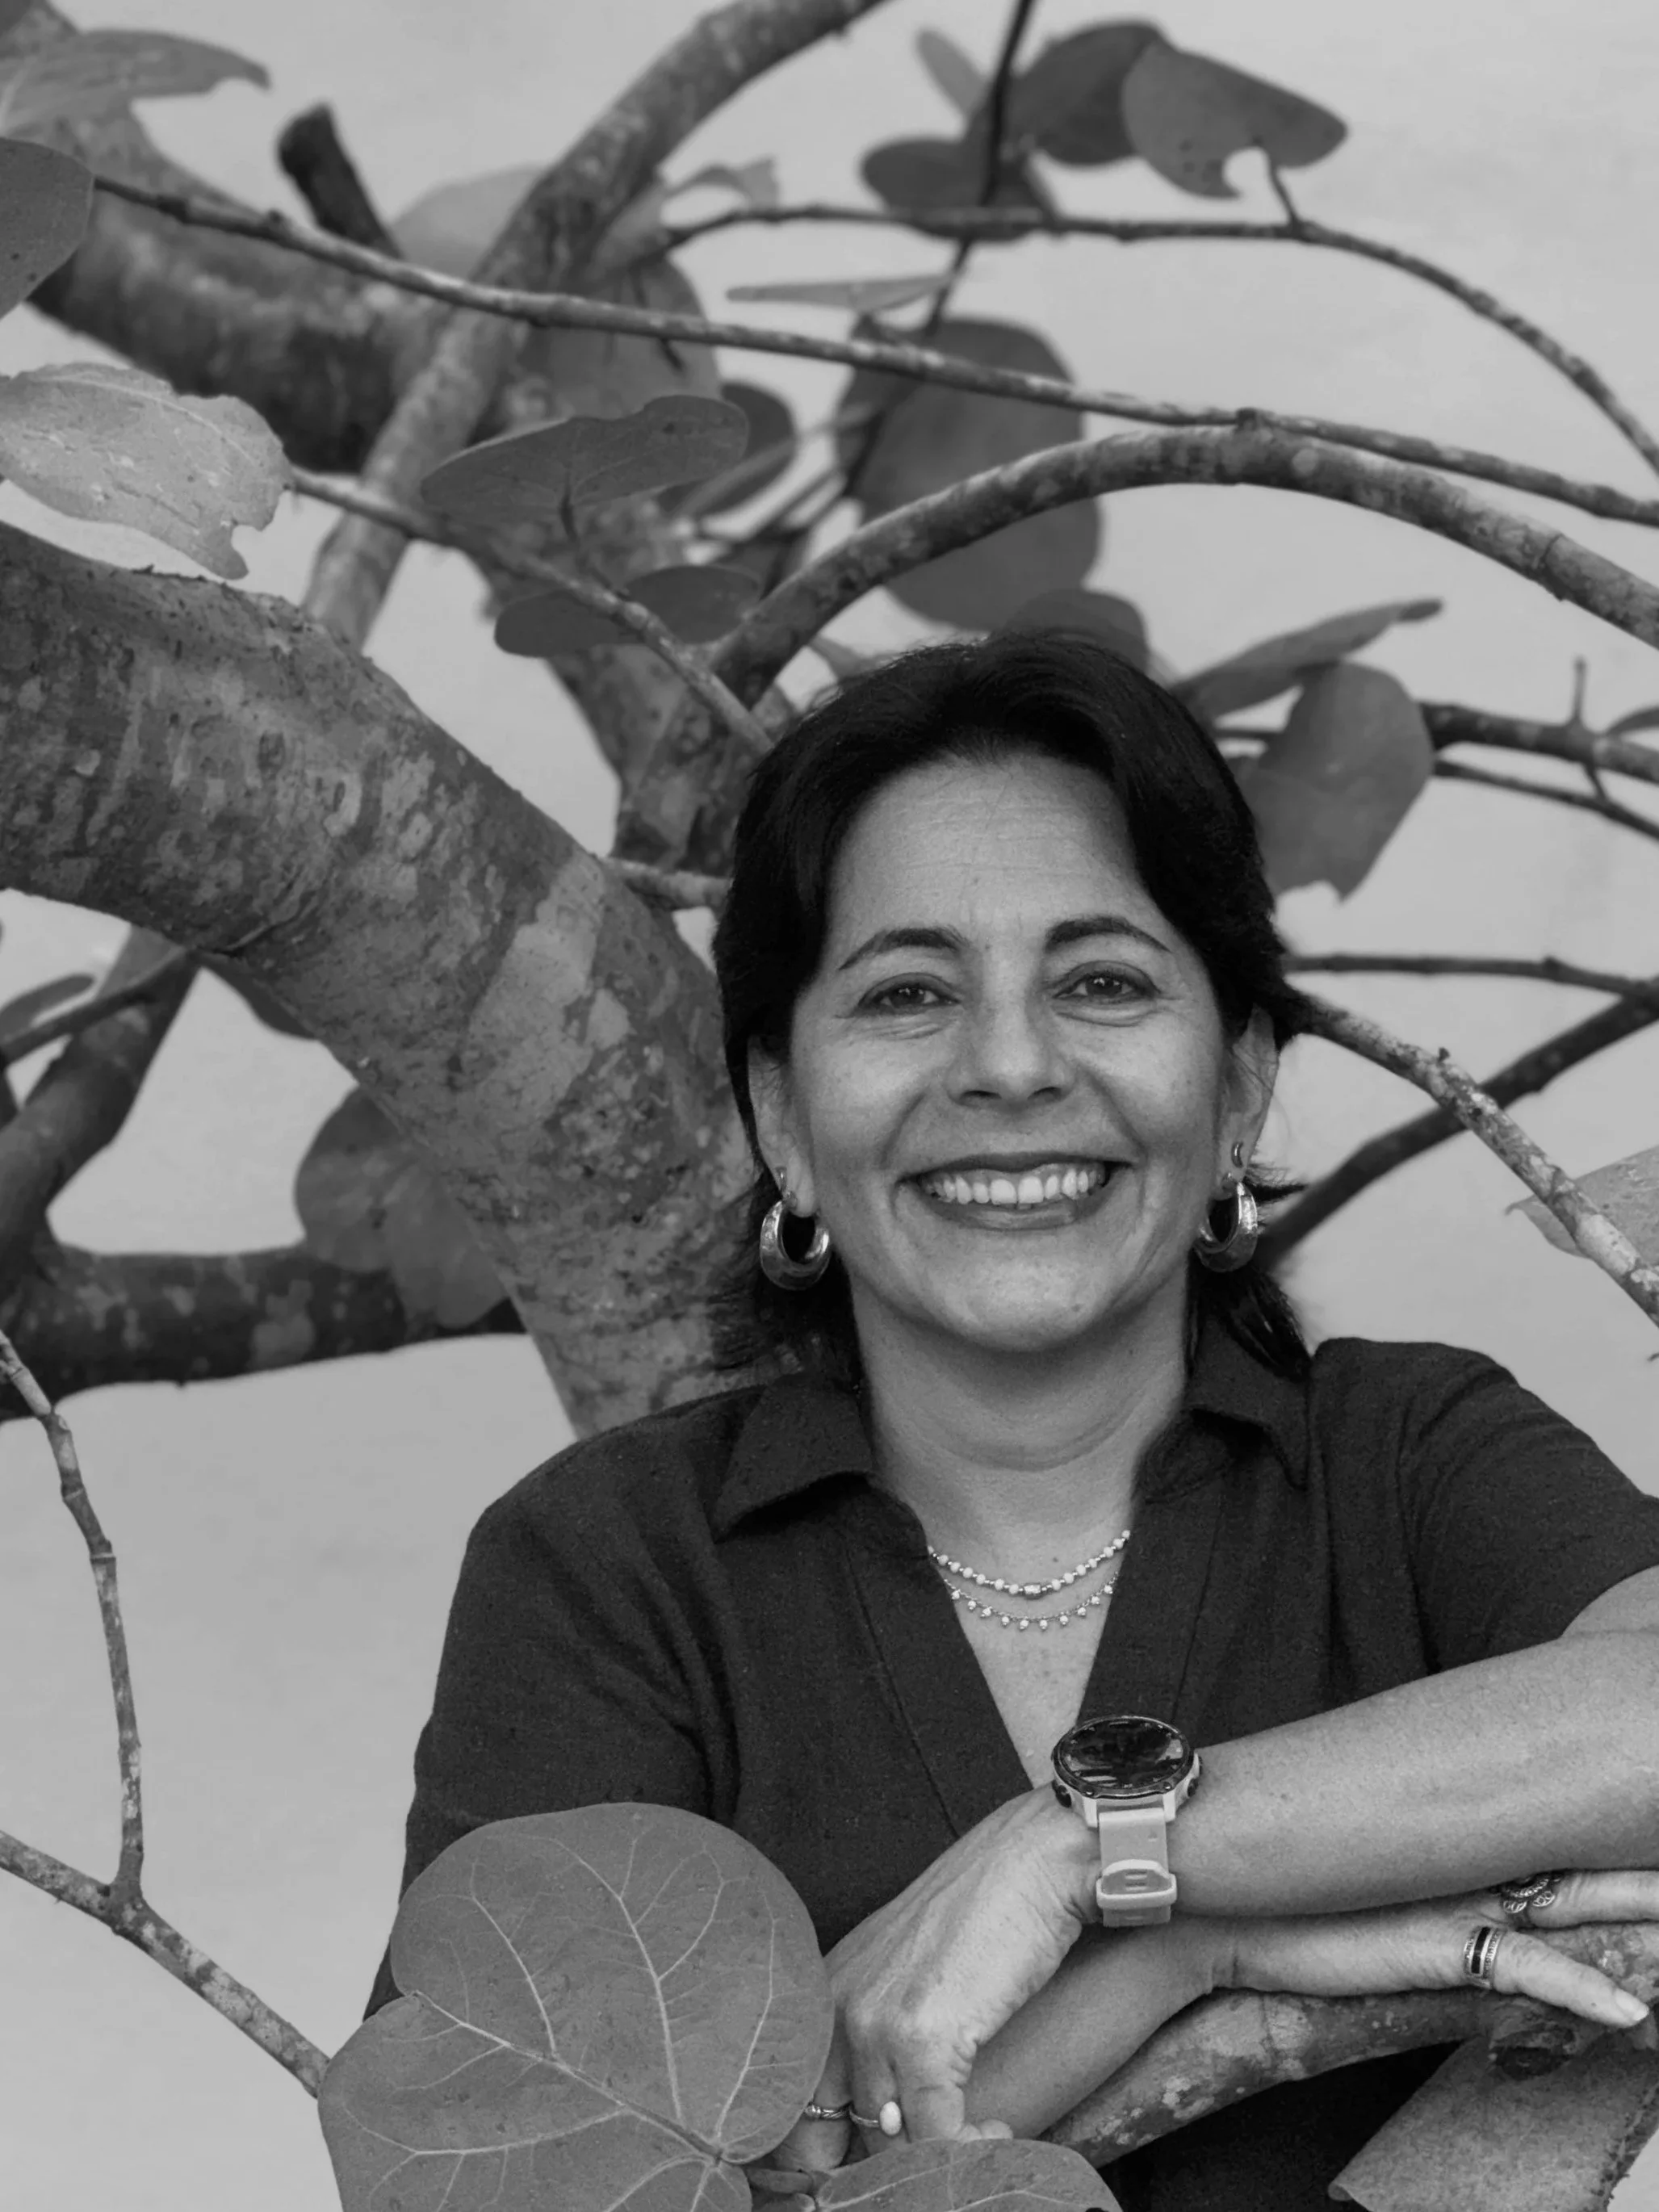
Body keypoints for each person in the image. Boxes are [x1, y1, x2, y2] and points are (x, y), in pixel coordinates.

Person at [365, 632, 1659, 2210]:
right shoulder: (610, 1565)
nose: (1007, 1063)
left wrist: (1086, 1856)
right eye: (908, 991)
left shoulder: (1406, 1454)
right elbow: (574, 2180)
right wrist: (1191, 1950)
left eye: (1101, 979)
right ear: (780, 1113)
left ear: (1238, 1085)